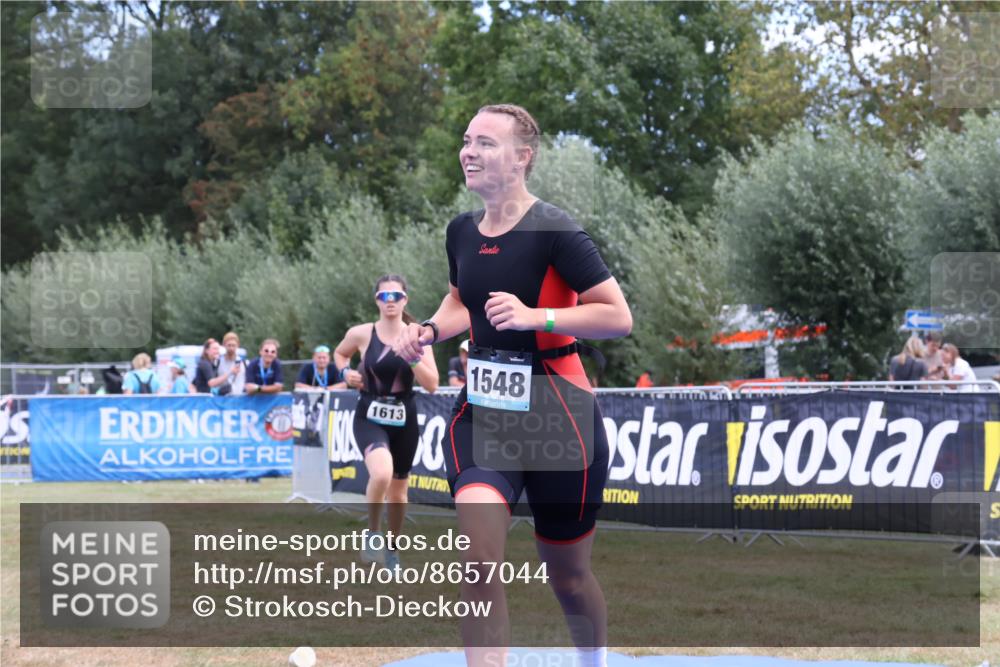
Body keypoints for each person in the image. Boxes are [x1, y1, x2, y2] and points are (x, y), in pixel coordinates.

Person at [392, 104, 632, 667]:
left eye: (485, 143)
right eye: (467, 140)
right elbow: (459, 300)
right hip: (485, 416)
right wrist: (427, 330)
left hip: (560, 419)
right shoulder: (461, 231)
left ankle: (592, 663)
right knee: (478, 561)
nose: (468, 152)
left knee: (569, 577)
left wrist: (537, 317)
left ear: (522, 158)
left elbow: (618, 317)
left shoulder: (556, 229)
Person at [334, 274, 439, 571]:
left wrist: (414, 358)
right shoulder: (362, 333)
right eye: (384, 296)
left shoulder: (419, 336)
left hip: (404, 416)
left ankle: (392, 550)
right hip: (369, 413)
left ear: (405, 299)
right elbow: (340, 354)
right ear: (376, 300)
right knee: (381, 474)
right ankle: (372, 534)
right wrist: (345, 373)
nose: (390, 301)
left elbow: (432, 384)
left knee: (399, 492)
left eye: (396, 296)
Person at [217, 331, 247, 395]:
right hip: (222, 398)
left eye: (233, 345)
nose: (231, 348)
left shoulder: (243, 362)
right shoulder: (218, 362)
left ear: (238, 345)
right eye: (229, 345)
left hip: (240, 398)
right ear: (224, 345)